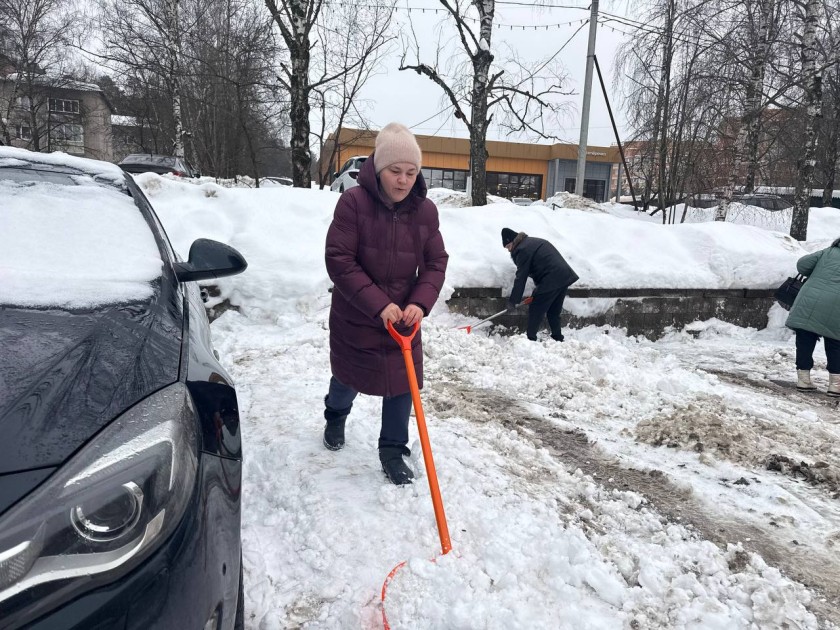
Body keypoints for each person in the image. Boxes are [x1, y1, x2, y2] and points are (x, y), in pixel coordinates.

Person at [323, 123, 449, 485]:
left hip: (404, 317)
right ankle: (335, 413)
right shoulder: (353, 204)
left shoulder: (425, 212)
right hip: (357, 313)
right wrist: (378, 305)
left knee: (402, 383)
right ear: (378, 169)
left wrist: (420, 304)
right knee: (348, 377)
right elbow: (339, 260)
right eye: (396, 171)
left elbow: (436, 262)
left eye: (411, 172)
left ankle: (393, 450)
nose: (404, 180)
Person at [501, 228, 578, 342]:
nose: (508, 250)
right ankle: (558, 338)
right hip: (563, 276)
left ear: (513, 241)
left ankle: (530, 340)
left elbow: (521, 277)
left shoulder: (522, 250)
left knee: (536, 308)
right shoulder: (531, 242)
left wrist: (513, 301)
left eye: (508, 247)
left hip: (552, 278)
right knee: (553, 311)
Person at [786, 237, 840, 396]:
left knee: (804, 339)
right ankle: (835, 385)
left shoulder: (828, 252)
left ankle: (803, 380)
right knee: (836, 343)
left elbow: (802, 265)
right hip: (836, 305)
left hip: (810, 300)